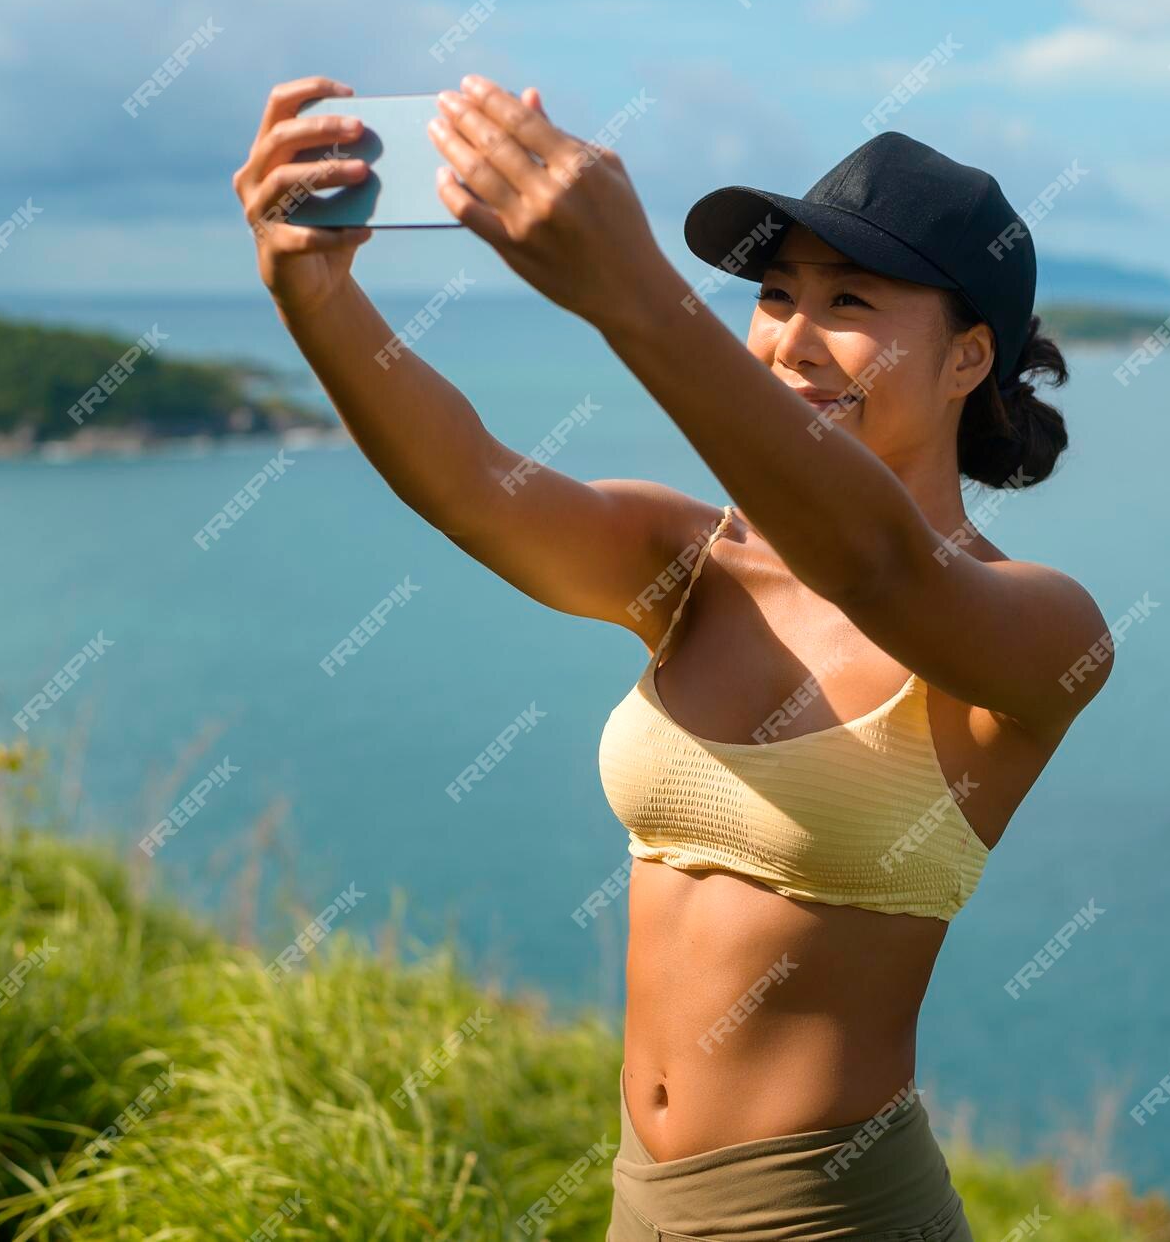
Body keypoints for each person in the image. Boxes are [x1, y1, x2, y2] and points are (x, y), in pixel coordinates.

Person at [232, 73, 1115, 1241]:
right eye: (772, 293)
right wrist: (311, 296)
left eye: (847, 298)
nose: (791, 336)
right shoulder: (690, 564)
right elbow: (467, 486)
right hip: (635, 1201)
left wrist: (634, 294)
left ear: (966, 360)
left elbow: (878, 566)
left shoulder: (1040, 626)